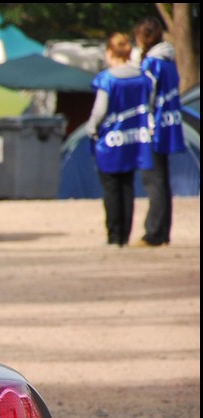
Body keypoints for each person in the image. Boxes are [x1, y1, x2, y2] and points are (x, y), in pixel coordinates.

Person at [85, 33, 153, 247]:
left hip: (111, 141)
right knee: (127, 186)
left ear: (109, 52)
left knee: (111, 187)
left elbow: (100, 110)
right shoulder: (142, 77)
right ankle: (125, 234)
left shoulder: (108, 78)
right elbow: (149, 105)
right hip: (133, 139)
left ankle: (114, 235)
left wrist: (91, 128)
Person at [134, 17, 186, 247]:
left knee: (153, 180)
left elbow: (146, 96)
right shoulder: (169, 61)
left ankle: (153, 232)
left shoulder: (152, 64)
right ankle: (163, 231)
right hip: (168, 125)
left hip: (153, 127)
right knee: (162, 180)